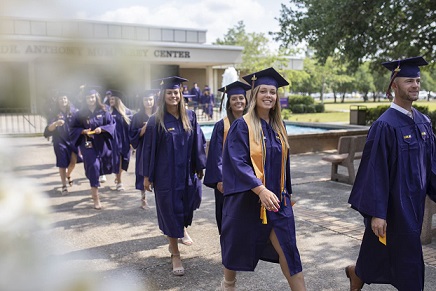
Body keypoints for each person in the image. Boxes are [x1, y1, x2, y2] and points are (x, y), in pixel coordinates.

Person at [346, 56, 436, 291]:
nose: (415, 85)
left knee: (379, 253)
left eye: (417, 80)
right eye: (409, 81)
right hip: (393, 209)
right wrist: (377, 213)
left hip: (414, 206)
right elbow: (374, 171)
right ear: (394, 86)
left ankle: (357, 274)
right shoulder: (385, 125)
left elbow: (432, 165)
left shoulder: (423, 122)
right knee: (411, 265)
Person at [220, 67, 306, 290]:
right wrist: (260, 189)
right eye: (263, 91)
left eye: (273, 92)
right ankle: (228, 283)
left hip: (277, 202)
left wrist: (287, 191)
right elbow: (237, 163)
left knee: (289, 250)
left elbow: (284, 163)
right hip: (249, 201)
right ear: (254, 95)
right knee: (235, 245)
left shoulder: (279, 126)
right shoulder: (242, 126)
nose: (269, 96)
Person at [139, 76, 206, 276]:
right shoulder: (156, 120)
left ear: (181, 94)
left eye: (176, 92)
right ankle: (175, 253)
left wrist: (200, 164)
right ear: (163, 95)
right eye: (170, 93)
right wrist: (147, 176)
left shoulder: (190, 116)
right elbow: (148, 150)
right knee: (169, 211)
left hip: (186, 173)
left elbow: (198, 142)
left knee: (186, 206)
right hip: (166, 175)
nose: (173, 96)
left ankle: (182, 229)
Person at [203, 81, 251, 234]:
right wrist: (219, 180)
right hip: (227, 181)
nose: (238, 101)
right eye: (234, 98)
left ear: (246, 100)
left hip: (249, 179)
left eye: (241, 98)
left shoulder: (253, 123)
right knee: (227, 219)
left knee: (247, 218)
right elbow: (215, 155)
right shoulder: (221, 126)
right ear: (229, 103)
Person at [70, 88, 116, 210]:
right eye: (88, 97)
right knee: (93, 166)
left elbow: (112, 124)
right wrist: (82, 131)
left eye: (92, 97)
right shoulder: (80, 114)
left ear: (96, 97)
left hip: (102, 144)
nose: (91, 99)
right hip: (88, 144)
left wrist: (102, 129)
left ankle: (93, 177)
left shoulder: (104, 110)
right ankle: (96, 198)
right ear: (85, 99)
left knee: (100, 167)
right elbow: (72, 129)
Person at [43, 92, 80, 195]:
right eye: (60, 99)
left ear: (67, 100)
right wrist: (56, 123)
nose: (63, 100)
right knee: (62, 163)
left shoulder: (73, 111)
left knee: (73, 161)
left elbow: (80, 123)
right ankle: (64, 186)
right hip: (60, 141)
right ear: (57, 101)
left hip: (72, 140)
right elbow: (48, 129)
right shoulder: (54, 113)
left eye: (65, 98)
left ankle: (68, 175)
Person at [129, 89, 157, 209]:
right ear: (142, 101)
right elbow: (132, 135)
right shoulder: (137, 117)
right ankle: (143, 199)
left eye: (150, 99)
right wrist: (144, 128)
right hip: (143, 149)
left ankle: (159, 198)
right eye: (146, 100)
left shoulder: (159, 114)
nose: (148, 102)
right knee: (142, 172)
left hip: (157, 148)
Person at [109, 91, 133, 191]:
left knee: (125, 161)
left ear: (118, 100)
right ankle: (119, 182)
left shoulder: (127, 112)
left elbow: (132, 127)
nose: (110, 101)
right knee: (118, 161)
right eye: (110, 99)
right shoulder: (109, 113)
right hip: (114, 141)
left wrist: (132, 142)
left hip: (125, 140)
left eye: (112, 99)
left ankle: (118, 175)